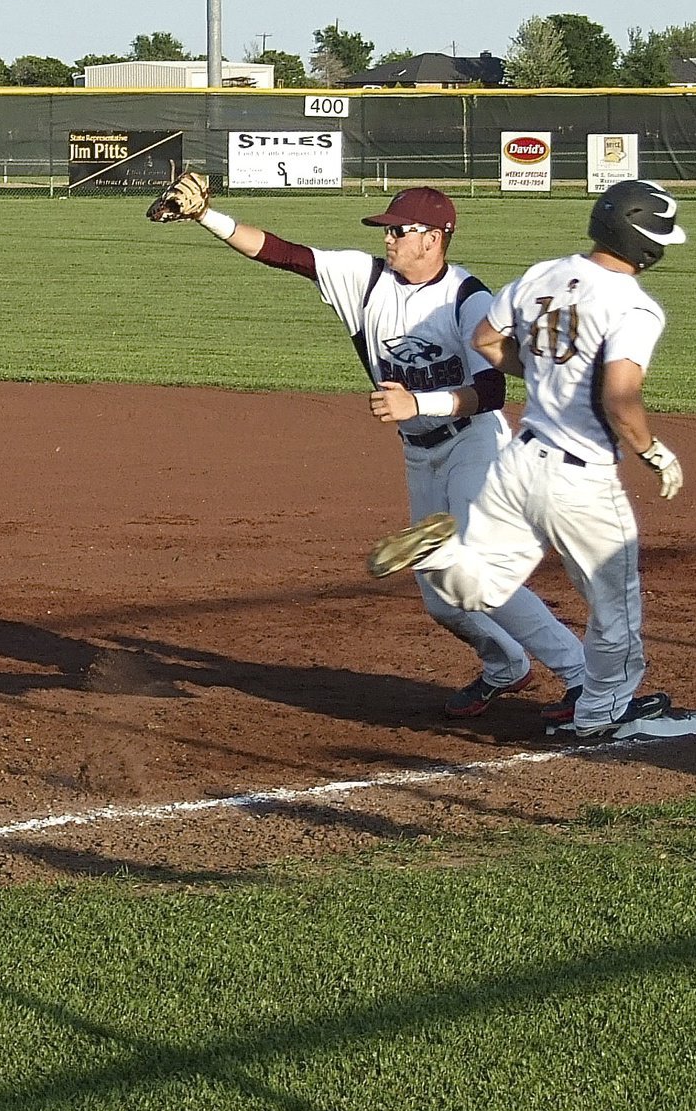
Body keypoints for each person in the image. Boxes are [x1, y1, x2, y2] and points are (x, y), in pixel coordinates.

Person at [167, 183, 585, 720]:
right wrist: (207, 216)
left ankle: (581, 677)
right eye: (386, 229)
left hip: (475, 445)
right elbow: (283, 254)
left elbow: (491, 393)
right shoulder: (363, 281)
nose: (387, 238)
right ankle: (506, 666)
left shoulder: (467, 297)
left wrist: (419, 403)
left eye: (398, 229)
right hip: (419, 455)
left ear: (434, 238)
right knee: (439, 597)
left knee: (477, 572)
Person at [367, 180, 687, 740]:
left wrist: (540, 372)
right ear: (646, 241)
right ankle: (603, 715)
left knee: (483, 586)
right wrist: (652, 450)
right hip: (580, 477)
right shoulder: (634, 306)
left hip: (519, 462)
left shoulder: (543, 273)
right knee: (617, 606)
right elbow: (619, 396)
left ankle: (442, 552)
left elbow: (490, 340)